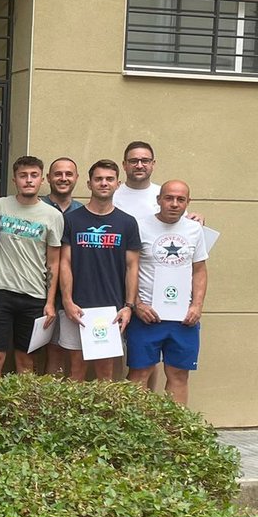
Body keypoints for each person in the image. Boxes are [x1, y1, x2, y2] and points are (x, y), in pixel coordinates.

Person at [126, 180, 208, 405]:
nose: (174, 204)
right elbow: (129, 269)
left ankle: (175, 432)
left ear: (187, 203)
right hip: (146, 316)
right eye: (169, 198)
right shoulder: (140, 227)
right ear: (158, 200)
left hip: (183, 319)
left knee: (179, 375)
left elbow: (199, 270)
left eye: (180, 199)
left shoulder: (194, 230)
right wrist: (137, 304)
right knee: (139, 374)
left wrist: (197, 306)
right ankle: (136, 431)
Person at [59, 159, 140, 381]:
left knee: (106, 373)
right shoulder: (71, 220)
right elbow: (64, 262)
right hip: (77, 307)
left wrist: (128, 306)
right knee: (76, 370)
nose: (104, 183)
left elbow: (132, 267)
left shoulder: (127, 223)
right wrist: (67, 300)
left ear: (117, 183)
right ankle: (74, 416)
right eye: (98, 179)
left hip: (111, 309)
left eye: (109, 179)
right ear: (89, 183)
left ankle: (103, 416)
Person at [0, 156, 64, 377]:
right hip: (0, 294)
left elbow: (54, 261)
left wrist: (50, 302)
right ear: (14, 179)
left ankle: (23, 411)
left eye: (34, 175)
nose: (28, 180)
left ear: (42, 179)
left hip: (34, 298)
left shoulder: (54, 216)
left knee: (26, 360)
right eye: (23, 176)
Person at [40, 157, 82, 374]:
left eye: (68, 174)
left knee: (76, 355)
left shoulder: (83, 211)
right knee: (52, 351)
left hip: (75, 295)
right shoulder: (38, 207)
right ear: (48, 178)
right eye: (58, 174)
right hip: (41, 293)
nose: (63, 178)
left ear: (76, 178)